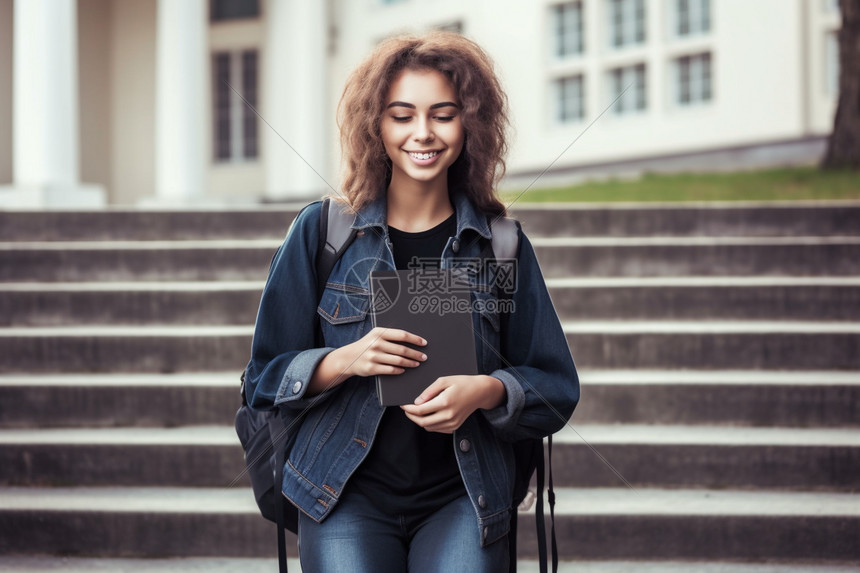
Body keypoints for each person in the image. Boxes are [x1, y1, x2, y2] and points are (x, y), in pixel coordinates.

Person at [244, 31, 579, 573]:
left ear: (469, 122)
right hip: (342, 493)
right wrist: (342, 360)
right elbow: (262, 379)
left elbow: (557, 386)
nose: (422, 133)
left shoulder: (501, 245)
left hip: (465, 497)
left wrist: (487, 391)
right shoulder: (323, 233)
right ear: (376, 125)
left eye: (442, 114)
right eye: (402, 115)